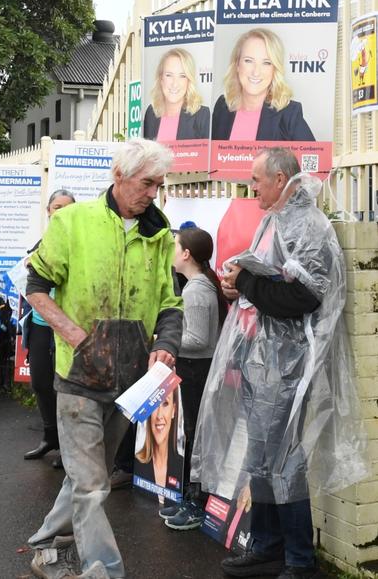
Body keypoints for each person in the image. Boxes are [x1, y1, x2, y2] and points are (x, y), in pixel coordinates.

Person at [191, 148, 368, 579]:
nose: (251, 187)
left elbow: (302, 298)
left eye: (256, 179)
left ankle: (299, 560)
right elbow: (269, 285)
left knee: (285, 462)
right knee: (260, 459)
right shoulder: (276, 220)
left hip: (288, 364)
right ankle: (268, 545)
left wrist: (247, 282)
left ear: (281, 178)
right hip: (263, 360)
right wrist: (241, 288)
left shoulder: (307, 225)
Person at [26, 138, 183, 579]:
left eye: (159, 184)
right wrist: (77, 337)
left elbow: (170, 302)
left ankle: (45, 545)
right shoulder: (73, 222)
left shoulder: (157, 231)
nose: (153, 192)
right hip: (78, 378)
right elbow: (35, 287)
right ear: (119, 176)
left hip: (133, 382)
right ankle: (104, 573)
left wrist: (166, 344)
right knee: (94, 484)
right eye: (147, 183)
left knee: (85, 478)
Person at [163, 226, 228, 531]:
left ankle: (197, 502)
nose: (172, 251)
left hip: (198, 370)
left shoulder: (197, 289)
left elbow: (199, 340)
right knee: (193, 435)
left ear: (187, 254)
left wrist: (162, 340)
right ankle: (192, 497)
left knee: (196, 437)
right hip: (194, 369)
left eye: (175, 246)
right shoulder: (197, 285)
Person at [23, 189, 76, 465]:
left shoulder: (78, 243)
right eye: (57, 207)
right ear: (48, 211)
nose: (61, 212)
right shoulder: (41, 243)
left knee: (62, 388)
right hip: (39, 323)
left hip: (64, 325)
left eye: (67, 208)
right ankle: (49, 438)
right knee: (40, 383)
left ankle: (68, 448)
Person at [211, 29, 315, 142]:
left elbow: (315, 158)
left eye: (266, 63)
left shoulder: (289, 114)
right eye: (248, 61)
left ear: (274, 69)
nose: (256, 72)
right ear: (237, 65)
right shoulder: (222, 106)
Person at [143, 48, 210, 141]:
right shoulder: (151, 113)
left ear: (189, 81)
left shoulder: (203, 116)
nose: (175, 84)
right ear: (161, 78)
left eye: (182, 76)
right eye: (169, 75)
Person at [134, 388, 182, 492]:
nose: (159, 416)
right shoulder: (138, 465)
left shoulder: (181, 467)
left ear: (174, 410)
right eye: (154, 405)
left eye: (165, 403)